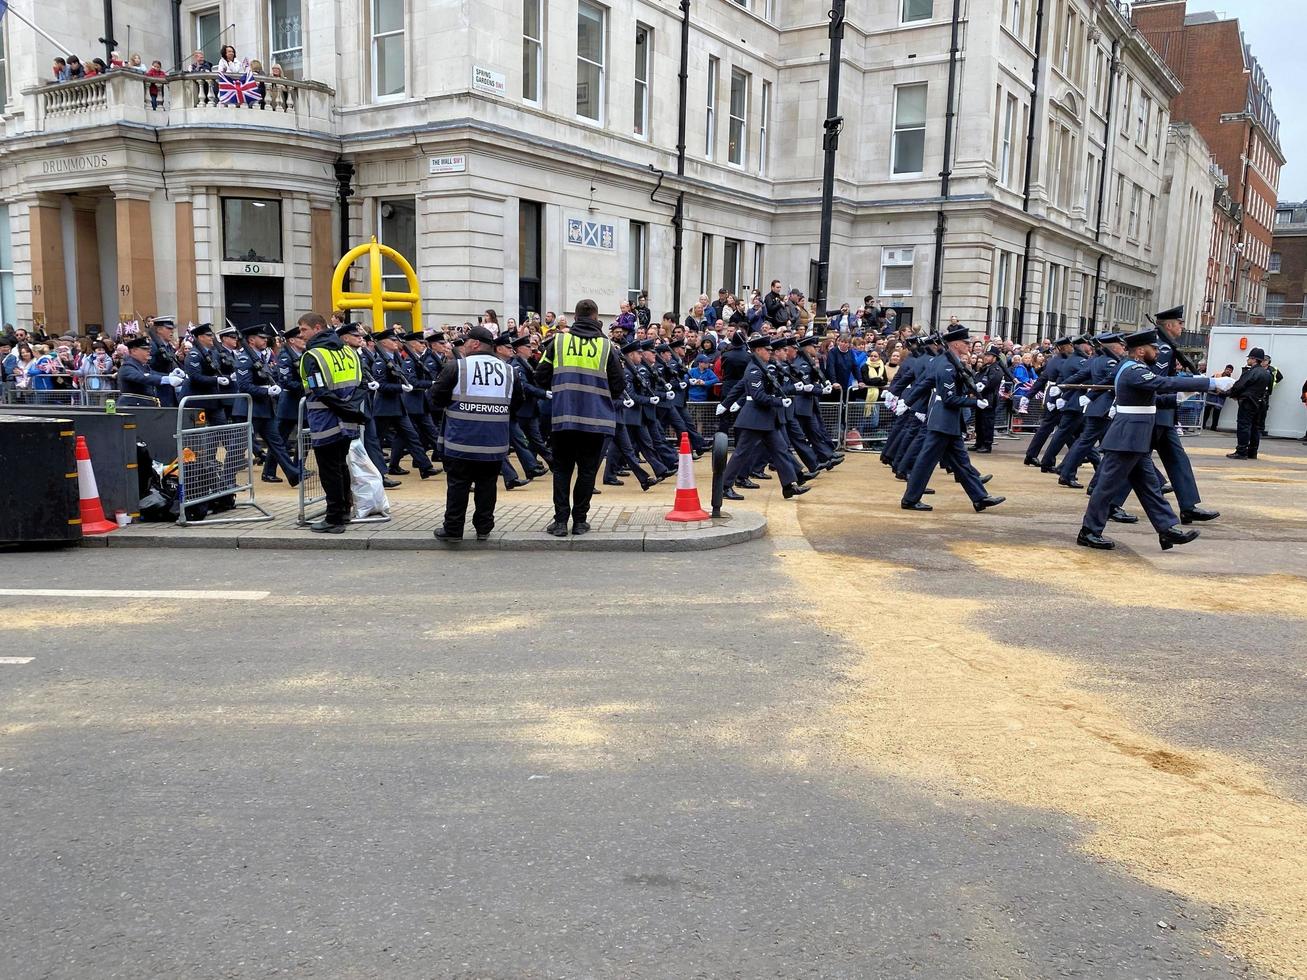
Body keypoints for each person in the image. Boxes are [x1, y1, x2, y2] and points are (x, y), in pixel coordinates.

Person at [1078, 329, 1234, 551]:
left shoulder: (1134, 368)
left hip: (1135, 439)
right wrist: (1207, 383)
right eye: (1153, 349)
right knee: (1106, 487)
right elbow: (1162, 383)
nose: (1157, 353)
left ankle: (1167, 529)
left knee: (1150, 488)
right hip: (1126, 439)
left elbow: (1154, 399)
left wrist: (1182, 396)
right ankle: (1089, 531)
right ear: (1141, 351)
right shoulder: (1134, 370)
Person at [535, 298, 626, 536]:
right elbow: (619, 384)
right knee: (587, 472)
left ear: (575, 318)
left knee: (562, 471)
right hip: (596, 421)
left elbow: (540, 376)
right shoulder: (606, 347)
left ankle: (560, 522)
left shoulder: (559, 341)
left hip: (564, 418)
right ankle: (580, 521)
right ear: (597, 319)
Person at [429, 324, 522, 542]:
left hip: (460, 441)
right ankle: (483, 528)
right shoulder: (509, 371)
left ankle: (453, 529)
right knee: (487, 486)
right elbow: (517, 403)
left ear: (475, 343)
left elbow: (435, 399)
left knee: (458, 486)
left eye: (466, 342)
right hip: (494, 442)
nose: (463, 346)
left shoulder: (457, 367)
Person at [900, 325, 1004, 514]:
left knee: (962, 463)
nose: (969, 345)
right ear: (955, 344)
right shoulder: (947, 364)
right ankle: (910, 499)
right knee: (925, 462)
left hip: (948, 422)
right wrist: (973, 403)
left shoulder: (949, 361)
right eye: (965, 342)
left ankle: (979, 498)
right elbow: (948, 398)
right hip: (942, 421)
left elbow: (927, 383)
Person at [297, 313, 366, 533]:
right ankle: (344, 511)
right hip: (347, 419)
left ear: (317, 328)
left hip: (325, 420)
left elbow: (319, 390)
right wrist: (351, 410)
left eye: (303, 330)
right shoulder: (349, 351)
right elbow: (361, 384)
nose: (300, 335)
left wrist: (343, 409)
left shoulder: (312, 356)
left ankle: (334, 518)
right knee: (340, 466)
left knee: (329, 471)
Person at [235, 324, 300, 486]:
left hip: (264, 410)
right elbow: (244, 386)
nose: (265, 340)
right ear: (251, 340)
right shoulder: (245, 358)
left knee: (277, 444)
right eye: (261, 338)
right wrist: (267, 391)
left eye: (265, 338)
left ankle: (294, 474)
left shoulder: (260, 357)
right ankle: (226, 481)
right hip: (249, 410)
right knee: (238, 447)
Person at [1225, 347, 1272, 460]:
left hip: (1248, 402)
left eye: (1249, 358)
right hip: (1260, 403)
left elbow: (1240, 385)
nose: (1247, 360)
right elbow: (1269, 390)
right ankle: (1252, 452)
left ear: (1254, 359)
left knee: (1244, 426)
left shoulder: (1251, 372)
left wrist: (1230, 394)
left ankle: (1241, 451)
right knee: (1255, 427)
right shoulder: (1267, 374)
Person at [118, 335, 184, 406]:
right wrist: (167, 379)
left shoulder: (143, 366)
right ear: (134, 351)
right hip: (132, 407)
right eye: (145, 349)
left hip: (143, 407)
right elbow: (142, 378)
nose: (149, 351)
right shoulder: (127, 366)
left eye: (149, 349)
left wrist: (171, 375)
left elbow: (153, 374)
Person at [971, 344, 1004, 453]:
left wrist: (982, 388)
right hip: (981, 398)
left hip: (989, 399)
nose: (986, 357)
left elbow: (992, 383)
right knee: (979, 422)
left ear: (994, 357)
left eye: (989, 355)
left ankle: (987, 444)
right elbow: (977, 378)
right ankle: (979, 442)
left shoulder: (996, 369)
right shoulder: (985, 368)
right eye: (986, 355)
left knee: (987, 423)